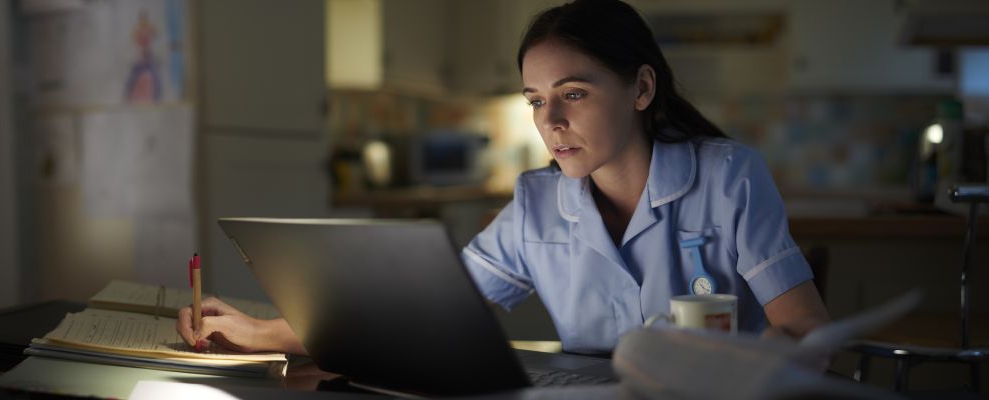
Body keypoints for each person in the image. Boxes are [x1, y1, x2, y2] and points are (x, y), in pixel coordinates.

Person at [178, 0, 829, 355]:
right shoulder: (536, 206)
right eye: (535, 99)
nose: (550, 120)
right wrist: (268, 332)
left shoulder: (730, 177)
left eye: (573, 93)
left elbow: (806, 333)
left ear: (641, 88)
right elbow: (417, 314)